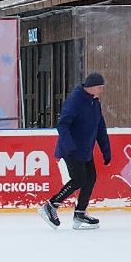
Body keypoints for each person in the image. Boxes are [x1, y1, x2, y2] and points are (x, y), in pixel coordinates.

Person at [40, 71, 112, 230]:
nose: (102, 90)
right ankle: (51, 205)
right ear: (92, 87)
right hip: (71, 149)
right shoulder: (75, 100)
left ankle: (80, 212)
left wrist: (106, 150)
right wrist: (69, 146)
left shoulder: (94, 102)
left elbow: (100, 127)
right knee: (79, 179)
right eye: (100, 87)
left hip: (85, 149)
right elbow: (62, 124)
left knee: (91, 177)